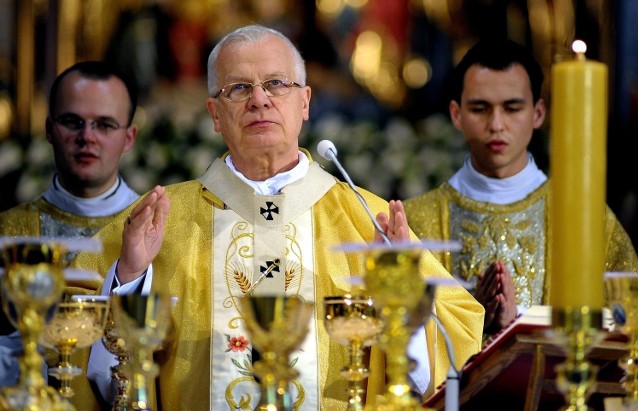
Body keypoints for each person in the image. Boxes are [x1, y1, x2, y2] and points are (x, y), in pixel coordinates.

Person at [71, 25, 484, 409]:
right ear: (215, 114)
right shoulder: (157, 221)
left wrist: (405, 298)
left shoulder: (367, 219)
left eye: (276, 84)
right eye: (238, 88)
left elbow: (460, 342)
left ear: (304, 103)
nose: (259, 99)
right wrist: (129, 276)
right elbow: (74, 361)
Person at [405, 39, 638, 338]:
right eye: (480, 109)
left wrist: (518, 322)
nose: (497, 124)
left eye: (512, 108)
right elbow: (401, 345)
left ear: (538, 114)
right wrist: (472, 320)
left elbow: (629, 326)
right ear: (456, 114)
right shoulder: (416, 221)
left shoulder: (586, 220)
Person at [0, 61, 139, 408]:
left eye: (104, 125)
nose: (86, 137)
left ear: (129, 138)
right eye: (72, 121)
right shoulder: (6, 232)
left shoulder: (157, 231)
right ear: (49, 129)